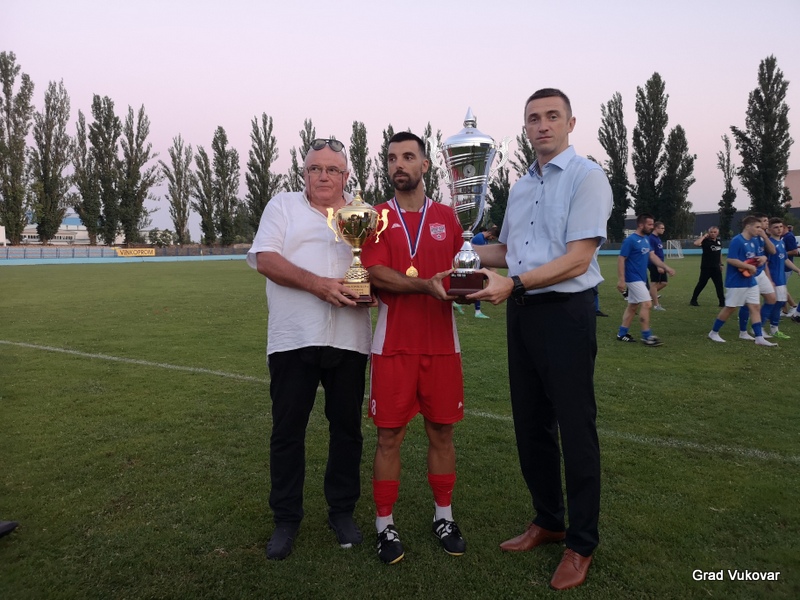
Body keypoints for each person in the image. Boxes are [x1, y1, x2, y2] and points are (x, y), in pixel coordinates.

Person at [469, 88, 612, 591]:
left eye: (553, 116)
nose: (542, 125)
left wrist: (515, 284)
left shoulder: (587, 176)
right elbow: (507, 250)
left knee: (575, 428)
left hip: (565, 314)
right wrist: (457, 251)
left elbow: (578, 258)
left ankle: (581, 543)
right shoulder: (521, 185)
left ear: (571, 123)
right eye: (534, 118)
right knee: (530, 426)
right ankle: (549, 520)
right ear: (525, 127)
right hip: (523, 313)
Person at [247, 138, 372, 560]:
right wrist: (318, 285)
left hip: (350, 337)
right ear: (303, 174)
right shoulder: (282, 206)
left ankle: (342, 512)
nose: (323, 176)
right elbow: (265, 259)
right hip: (292, 337)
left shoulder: (365, 212)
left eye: (332, 169)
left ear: (346, 175)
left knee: (347, 430)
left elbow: (379, 264)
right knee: (287, 432)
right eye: (314, 168)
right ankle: (286, 519)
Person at [361, 131, 466, 565]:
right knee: (389, 437)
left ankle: (444, 516)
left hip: (442, 346)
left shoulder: (448, 217)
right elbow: (375, 272)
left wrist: (470, 287)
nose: (398, 165)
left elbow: (463, 269)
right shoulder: (375, 218)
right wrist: (425, 285)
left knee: (442, 433)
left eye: (407, 157)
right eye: (391, 158)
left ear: (425, 165)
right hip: (394, 347)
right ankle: (384, 523)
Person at [707, 216, 776, 346]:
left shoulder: (755, 241)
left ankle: (759, 338)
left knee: (755, 307)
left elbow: (755, 257)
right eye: (757, 227)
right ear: (748, 227)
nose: (760, 229)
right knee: (730, 308)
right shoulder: (737, 240)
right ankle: (714, 332)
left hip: (750, 280)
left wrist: (762, 258)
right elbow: (731, 259)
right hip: (736, 281)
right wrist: (748, 267)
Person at [616, 214, 676, 347]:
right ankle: (647, 336)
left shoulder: (646, 240)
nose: (652, 227)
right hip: (633, 278)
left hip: (641, 278)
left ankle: (622, 333)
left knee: (633, 306)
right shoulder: (630, 240)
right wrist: (621, 280)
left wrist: (666, 267)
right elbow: (621, 259)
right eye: (649, 224)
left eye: (652, 224)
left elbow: (652, 256)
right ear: (640, 225)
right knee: (647, 304)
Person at [765, 218, 800, 338]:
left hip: (781, 279)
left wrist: (797, 270)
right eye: (776, 227)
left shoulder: (781, 242)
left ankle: (773, 329)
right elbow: (765, 264)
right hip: (773, 278)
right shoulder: (769, 244)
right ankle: (758, 326)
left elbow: (785, 259)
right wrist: (769, 279)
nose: (779, 229)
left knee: (779, 302)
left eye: (781, 227)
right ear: (769, 230)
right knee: (772, 303)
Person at [469, 225, 499, 318]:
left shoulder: (484, 239)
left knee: (483, 283)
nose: (492, 239)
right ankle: (477, 312)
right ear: (489, 233)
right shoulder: (479, 239)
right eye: (492, 238)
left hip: (478, 265)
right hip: (474, 266)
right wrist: (490, 268)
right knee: (476, 287)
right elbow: (481, 257)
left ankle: (486, 295)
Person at [690, 227, 725, 307]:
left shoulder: (719, 242)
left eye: (715, 232)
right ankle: (693, 300)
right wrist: (704, 236)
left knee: (719, 285)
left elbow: (719, 253)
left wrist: (721, 264)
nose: (713, 233)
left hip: (716, 267)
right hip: (706, 267)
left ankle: (722, 302)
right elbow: (696, 243)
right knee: (701, 284)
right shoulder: (705, 241)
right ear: (709, 233)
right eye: (711, 232)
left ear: (717, 233)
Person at [648, 221, 669, 310]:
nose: (663, 230)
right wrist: (658, 266)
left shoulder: (657, 238)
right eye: (662, 228)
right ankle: (656, 305)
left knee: (664, 282)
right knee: (654, 283)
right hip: (654, 264)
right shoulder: (651, 239)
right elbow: (652, 254)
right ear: (656, 228)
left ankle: (648, 295)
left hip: (660, 263)